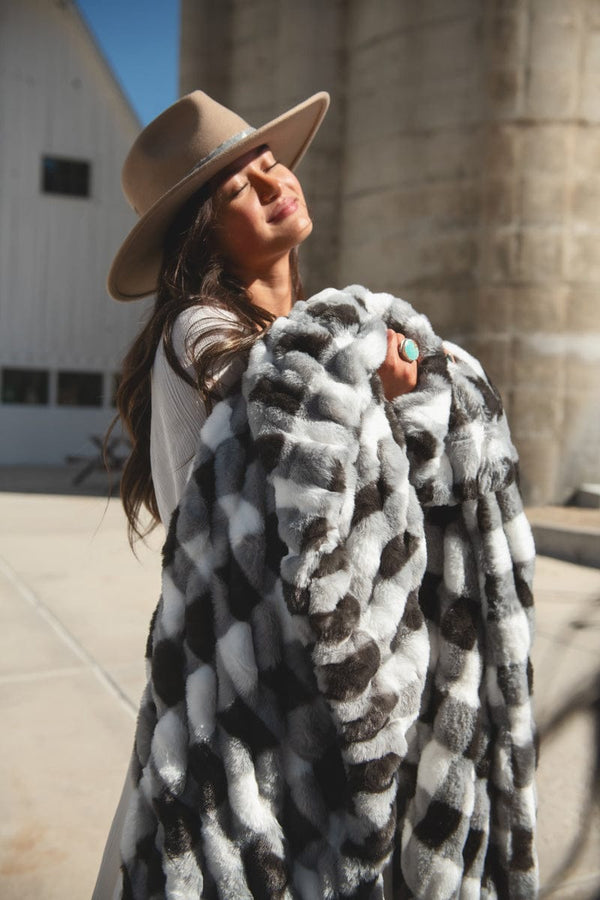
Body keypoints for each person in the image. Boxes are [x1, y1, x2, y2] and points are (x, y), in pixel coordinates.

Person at [95, 91, 538, 899]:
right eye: (239, 186)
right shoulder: (202, 333)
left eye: (271, 164)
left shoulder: (307, 343)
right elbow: (297, 486)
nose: (275, 183)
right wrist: (382, 392)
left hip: (307, 685)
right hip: (255, 702)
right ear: (200, 231)